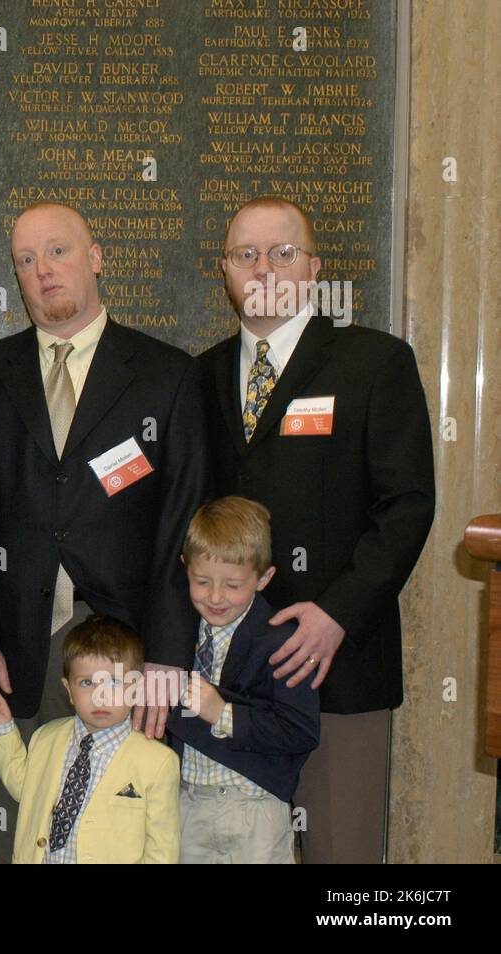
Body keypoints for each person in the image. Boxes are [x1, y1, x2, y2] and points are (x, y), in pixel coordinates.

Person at [197, 195, 434, 863]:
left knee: (342, 862)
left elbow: (408, 506)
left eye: (283, 252)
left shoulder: (374, 363)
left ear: (314, 268)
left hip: (337, 665)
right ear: (225, 270)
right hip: (232, 680)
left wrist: (336, 615)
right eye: (246, 255)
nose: (263, 267)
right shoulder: (203, 375)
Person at [0, 201, 210, 862]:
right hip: (11, 652)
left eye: (58, 251)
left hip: (126, 656)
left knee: (116, 842)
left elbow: (180, 531)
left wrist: (165, 659)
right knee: (13, 836)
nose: (43, 271)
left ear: (97, 257)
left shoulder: (167, 376)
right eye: (25, 260)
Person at [166, 496, 320, 863]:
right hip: (186, 803)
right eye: (202, 581)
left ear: (263, 577)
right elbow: (170, 709)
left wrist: (223, 712)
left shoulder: (283, 641)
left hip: (255, 809)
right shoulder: (174, 635)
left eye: (233, 585)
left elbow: (300, 731)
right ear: (185, 567)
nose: (216, 597)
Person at [0, 614, 179, 864]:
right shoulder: (47, 737)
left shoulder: (158, 762)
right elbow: (26, 788)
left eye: (115, 682)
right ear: (69, 690)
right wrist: (4, 729)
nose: (100, 696)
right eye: (87, 682)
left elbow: (162, 850)